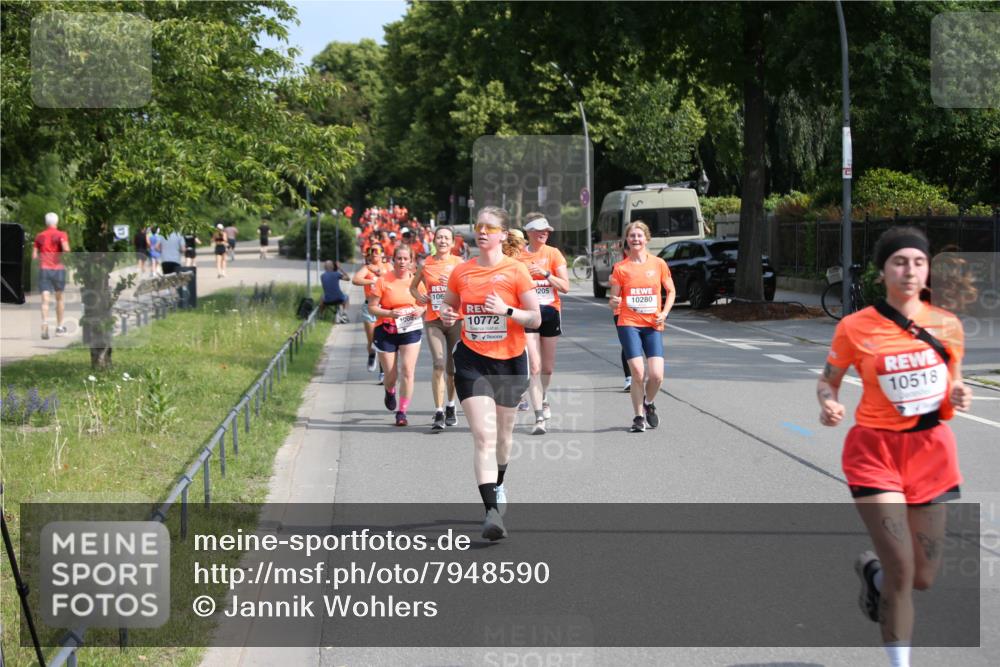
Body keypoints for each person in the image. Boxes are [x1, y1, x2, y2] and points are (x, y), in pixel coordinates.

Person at [816, 226, 972, 667]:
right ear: (882, 271)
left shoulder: (948, 325)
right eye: (899, 262)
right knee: (903, 571)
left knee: (922, 576)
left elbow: (953, 379)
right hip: (875, 455)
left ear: (927, 272)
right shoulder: (854, 327)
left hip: (933, 455)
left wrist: (959, 393)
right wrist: (829, 404)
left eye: (918, 262)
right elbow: (828, 382)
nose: (909, 270)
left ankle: (874, 574)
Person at [440, 206, 541, 541]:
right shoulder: (462, 272)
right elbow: (450, 308)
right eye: (478, 226)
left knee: (503, 438)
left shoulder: (516, 272)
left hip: (510, 361)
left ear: (502, 233)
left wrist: (507, 310)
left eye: (489, 227)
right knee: (483, 437)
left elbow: (536, 319)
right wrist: (447, 315)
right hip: (472, 361)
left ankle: (498, 485)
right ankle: (490, 513)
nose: (481, 231)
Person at [608, 220, 676, 433]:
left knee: (656, 376)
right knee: (638, 372)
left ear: (646, 238)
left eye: (639, 235)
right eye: (632, 236)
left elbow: (671, 291)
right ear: (626, 240)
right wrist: (614, 302)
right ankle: (638, 416)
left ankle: (648, 403)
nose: (635, 239)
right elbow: (613, 298)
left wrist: (664, 313)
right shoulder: (620, 268)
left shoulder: (658, 264)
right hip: (629, 323)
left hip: (653, 324)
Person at [517, 213, 570, 435]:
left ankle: (543, 395)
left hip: (550, 312)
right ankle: (539, 414)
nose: (545, 234)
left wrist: (546, 274)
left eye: (547, 231)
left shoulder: (553, 254)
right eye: (540, 230)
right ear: (529, 232)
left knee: (547, 368)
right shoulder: (518, 256)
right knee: (535, 367)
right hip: (528, 314)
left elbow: (565, 286)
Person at [410, 226, 463, 430]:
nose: (442, 241)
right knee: (439, 364)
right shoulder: (426, 264)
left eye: (446, 238)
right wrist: (419, 297)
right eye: (439, 237)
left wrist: (451, 283)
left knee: (453, 368)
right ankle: (439, 411)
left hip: (456, 320)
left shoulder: (459, 264)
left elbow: (469, 288)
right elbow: (413, 287)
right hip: (434, 320)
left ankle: (451, 405)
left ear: (452, 243)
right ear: (433, 240)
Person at [369, 245, 423, 427]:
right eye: (398, 258)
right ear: (393, 260)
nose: (402, 262)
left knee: (408, 371)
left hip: (410, 329)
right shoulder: (383, 281)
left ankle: (402, 412)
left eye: (405, 259)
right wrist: (390, 314)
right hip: (386, 329)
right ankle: (389, 390)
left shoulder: (416, 281)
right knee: (391, 374)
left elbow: (425, 304)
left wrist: (419, 309)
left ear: (411, 261)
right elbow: (372, 307)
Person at [32, 212, 70, 339]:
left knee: (45, 300)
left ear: (46, 222)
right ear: (57, 222)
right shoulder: (61, 234)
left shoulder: (39, 236)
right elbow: (66, 249)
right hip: (58, 269)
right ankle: (59, 328)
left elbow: (34, 256)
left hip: (44, 269)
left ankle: (44, 324)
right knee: (59, 299)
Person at [353, 245, 386, 381]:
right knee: (372, 339)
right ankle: (371, 354)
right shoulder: (367, 268)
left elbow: (395, 277)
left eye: (377, 251)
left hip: (384, 307)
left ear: (382, 253)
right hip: (369, 306)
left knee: (383, 340)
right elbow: (355, 280)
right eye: (371, 251)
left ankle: (383, 370)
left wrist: (379, 274)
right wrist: (372, 280)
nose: (374, 253)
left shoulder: (388, 266)